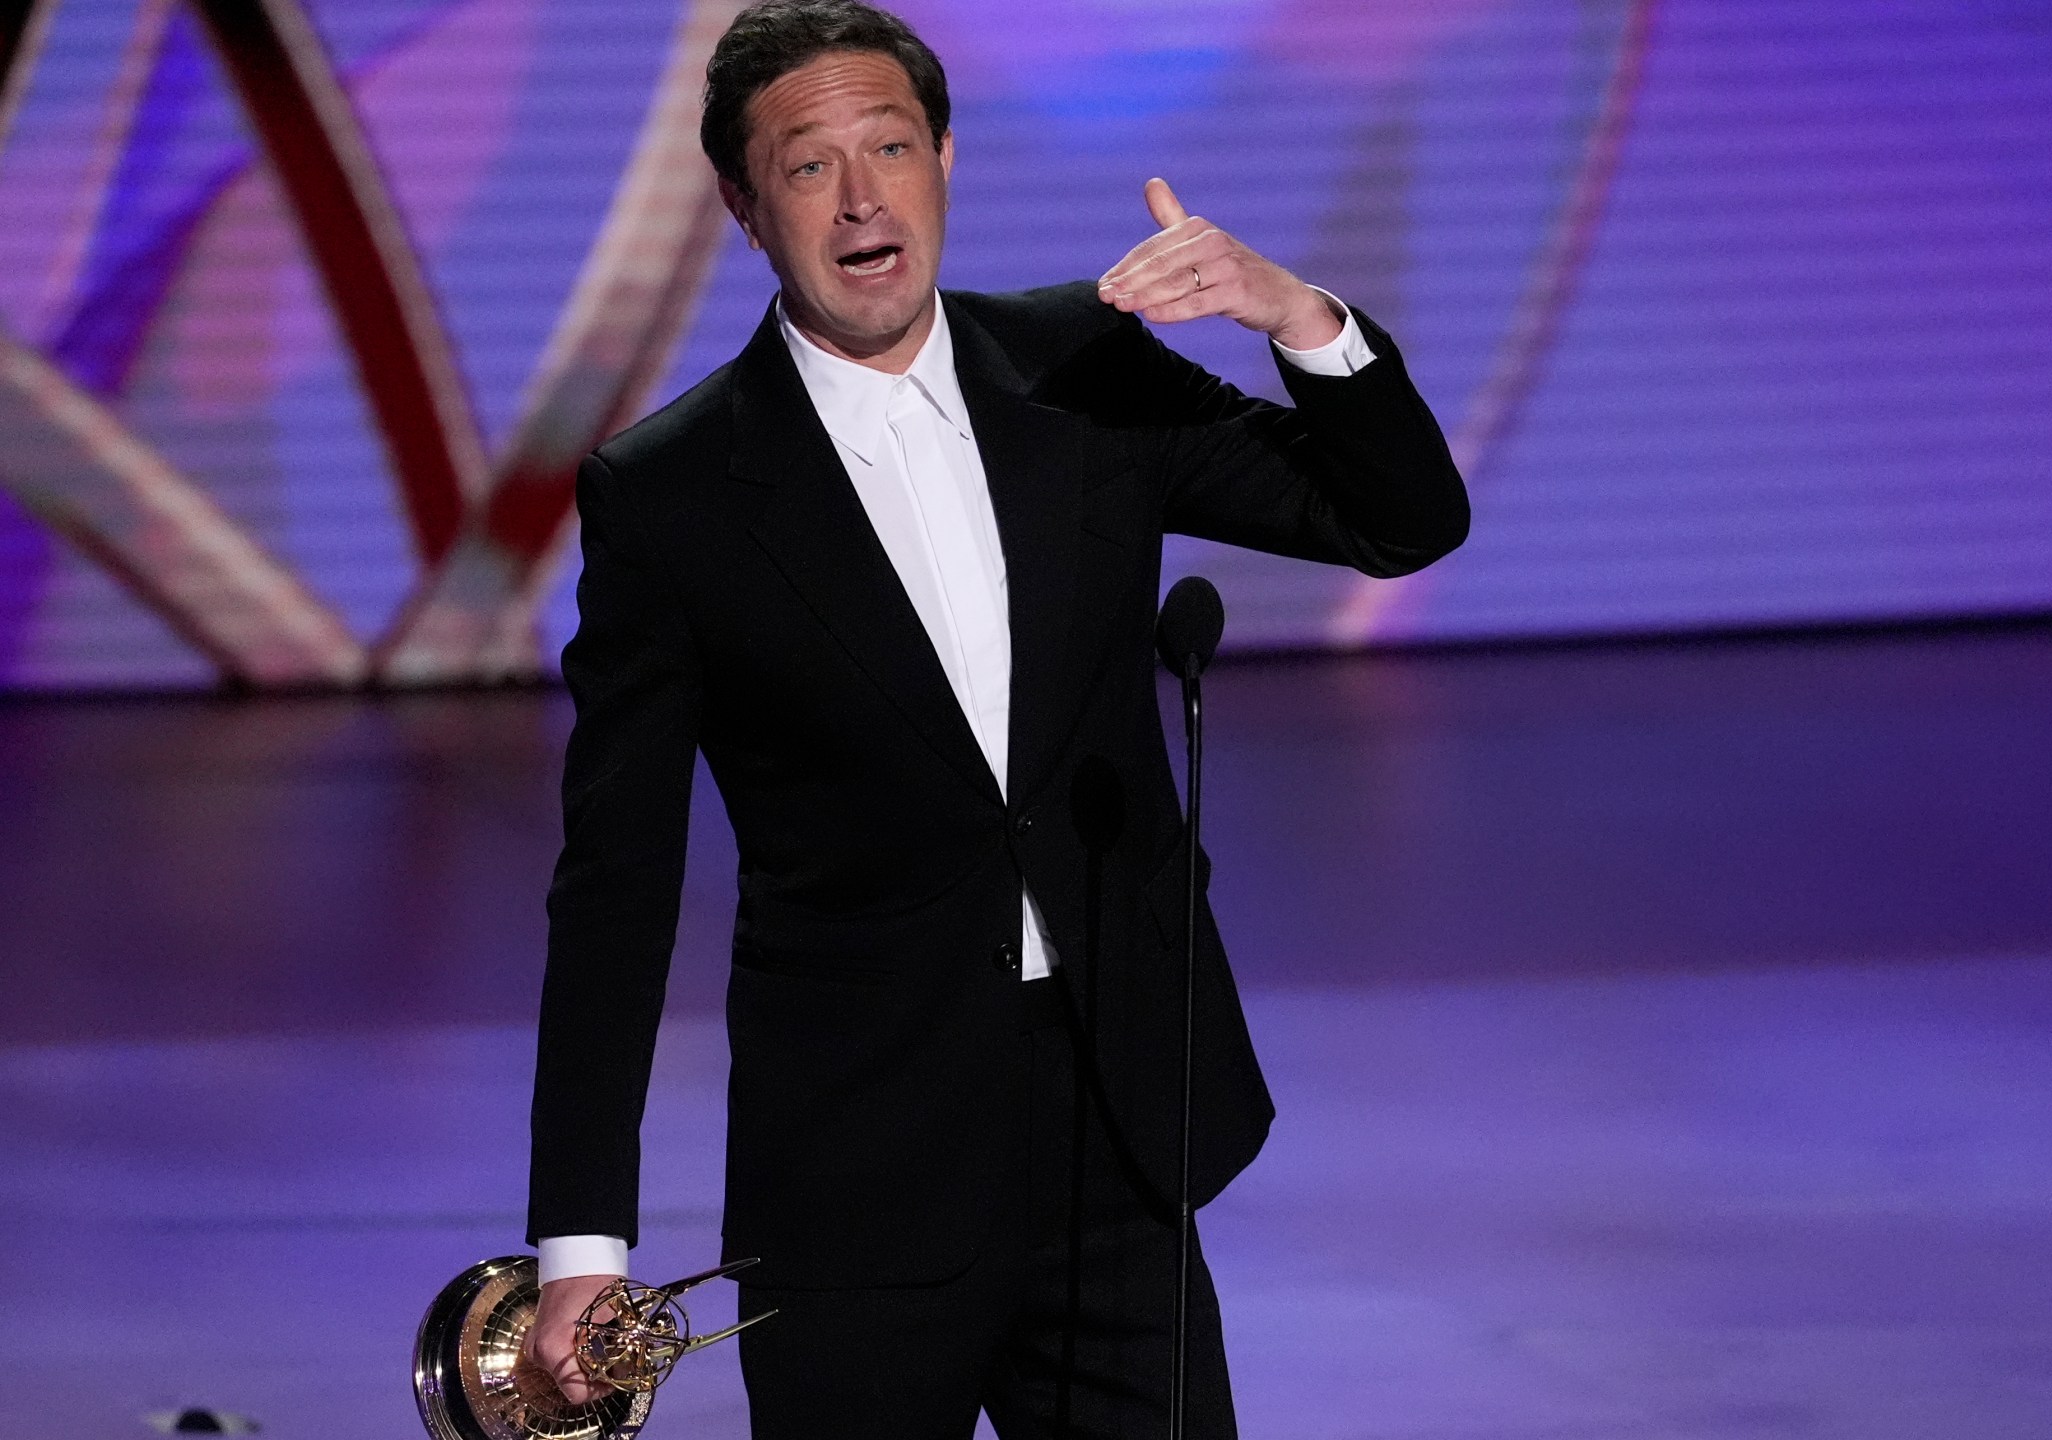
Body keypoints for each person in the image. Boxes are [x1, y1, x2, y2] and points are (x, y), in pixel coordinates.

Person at [520, 3, 1466, 1435]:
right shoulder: (671, 495)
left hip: (1116, 1129)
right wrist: (583, 1243)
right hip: (858, 1168)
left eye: (891, 146)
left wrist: (1300, 318)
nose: (861, 198)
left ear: (947, 159)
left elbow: (1399, 522)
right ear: (743, 205)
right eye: (808, 165)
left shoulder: (1084, 364)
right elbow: (618, 875)